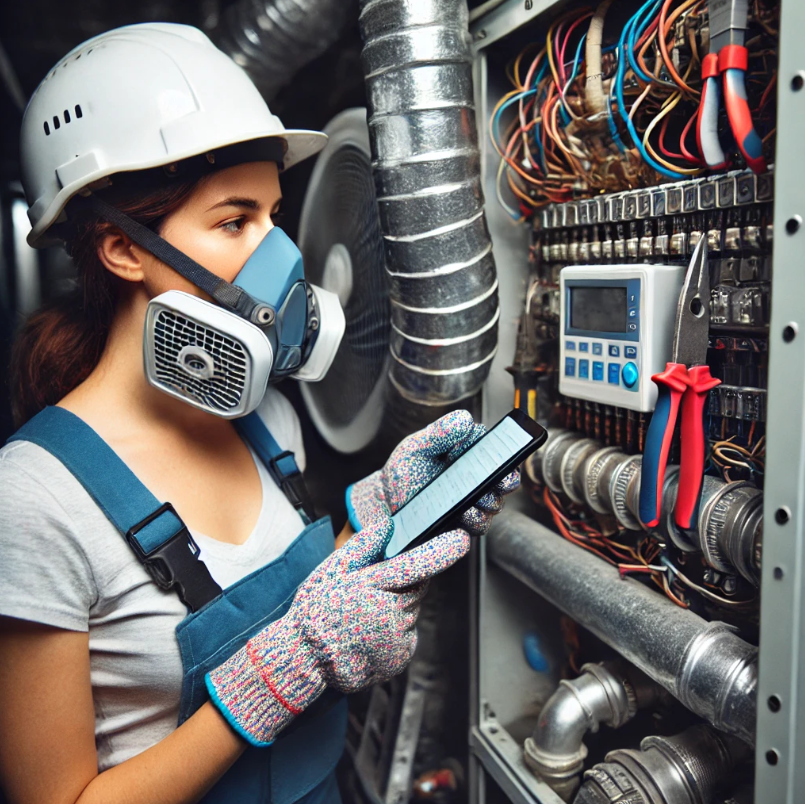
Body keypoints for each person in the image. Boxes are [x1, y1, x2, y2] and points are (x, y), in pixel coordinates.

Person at [0, 23, 518, 804]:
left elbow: (307, 607)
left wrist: (380, 521)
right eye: (234, 221)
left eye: (273, 216)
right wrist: (277, 676)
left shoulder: (268, 420)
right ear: (121, 249)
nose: (279, 259)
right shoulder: (32, 500)